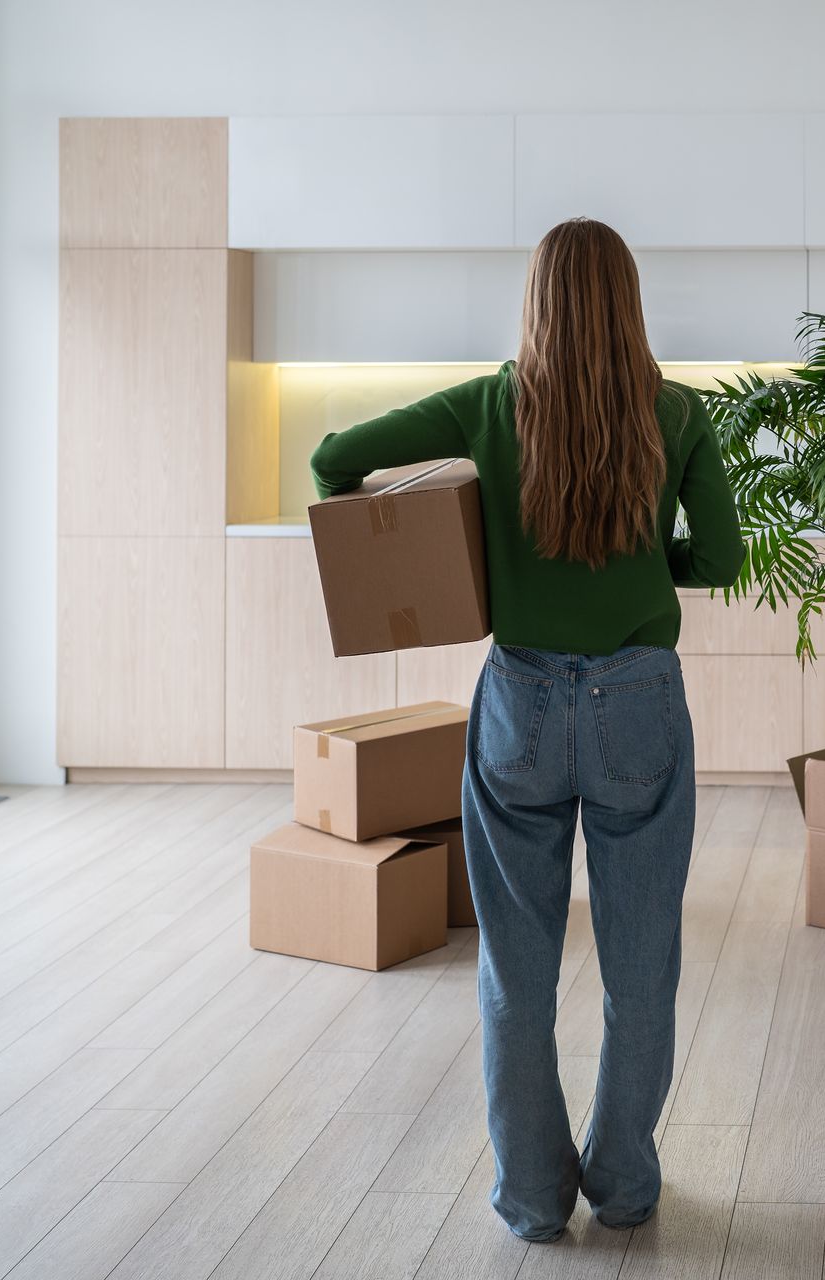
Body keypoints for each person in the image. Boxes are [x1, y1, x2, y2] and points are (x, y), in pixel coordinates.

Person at [308, 218, 743, 1240]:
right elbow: (722, 557)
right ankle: (624, 1187)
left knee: (517, 972)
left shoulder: (489, 403)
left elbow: (334, 462)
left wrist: (460, 552)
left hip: (521, 702)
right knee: (642, 969)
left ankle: (535, 1199)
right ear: (628, 302)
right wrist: (652, 567)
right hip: (638, 698)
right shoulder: (676, 411)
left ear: (537, 301)